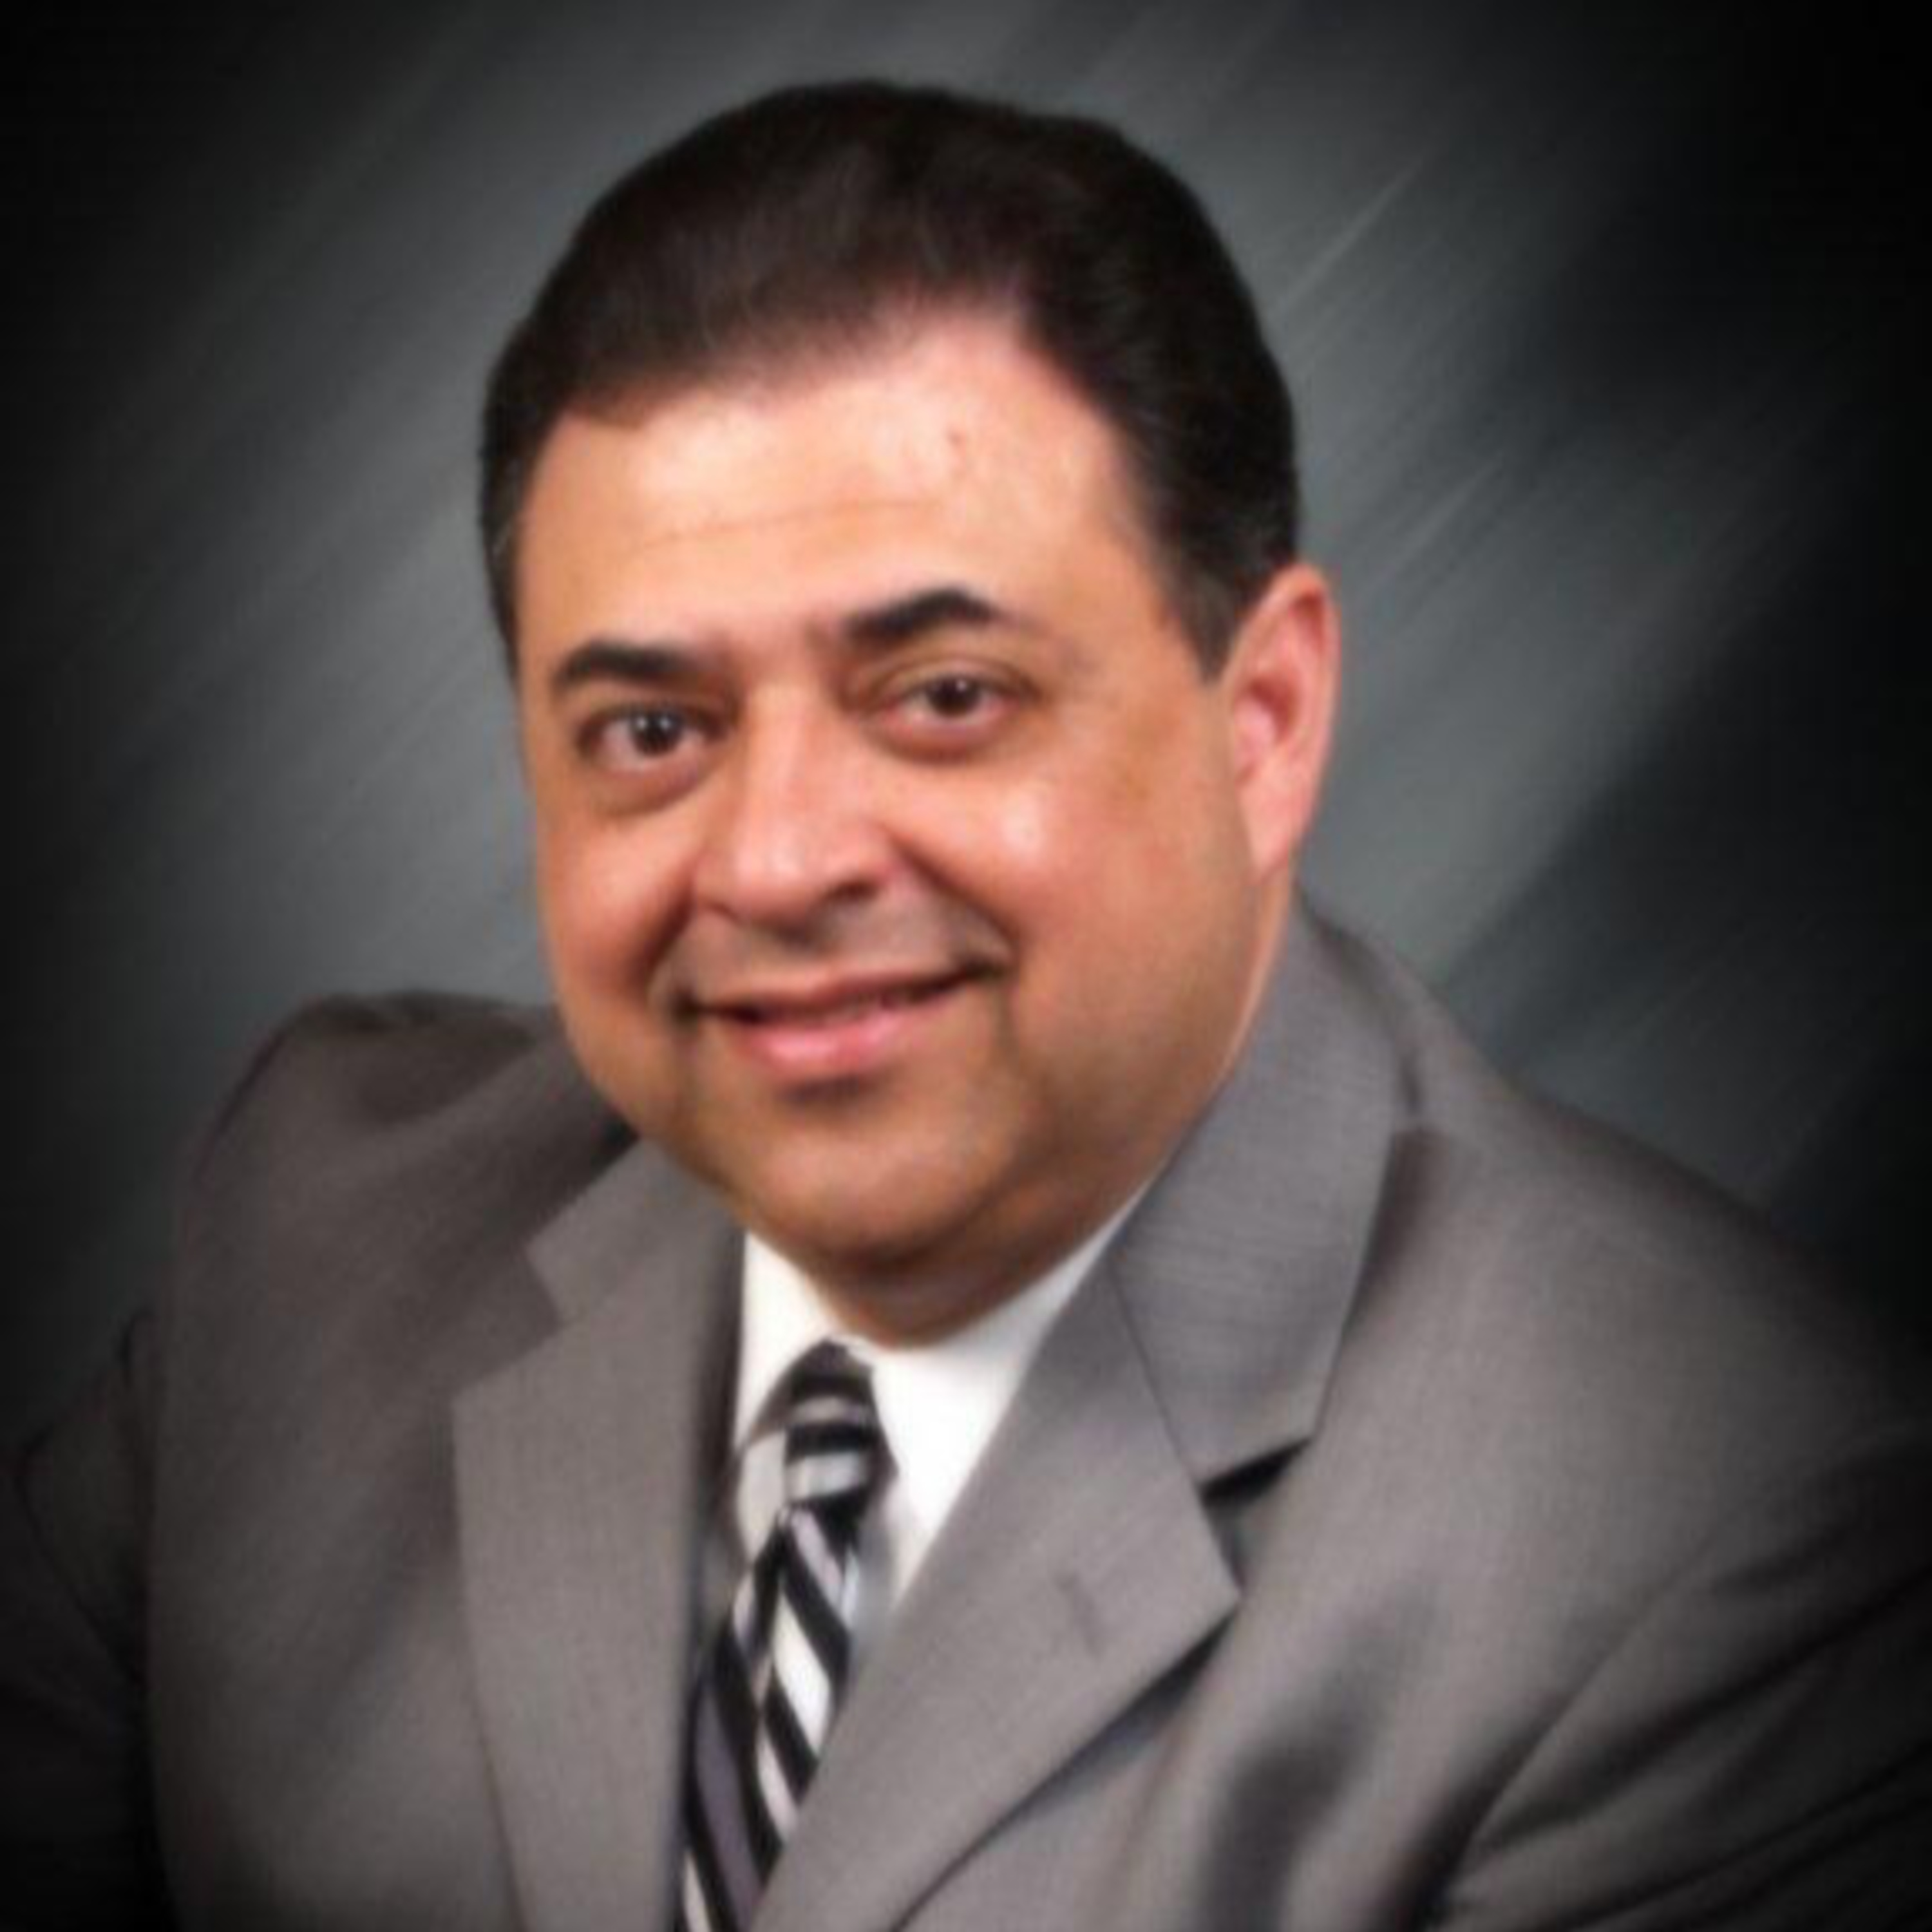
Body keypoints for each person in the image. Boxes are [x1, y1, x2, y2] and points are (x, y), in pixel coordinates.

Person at [3, 79, 1927, 1932]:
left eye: (943, 697)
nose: (777, 862)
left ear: (1262, 724)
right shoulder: (309, 1237)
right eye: (654, 731)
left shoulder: (1703, 1535)